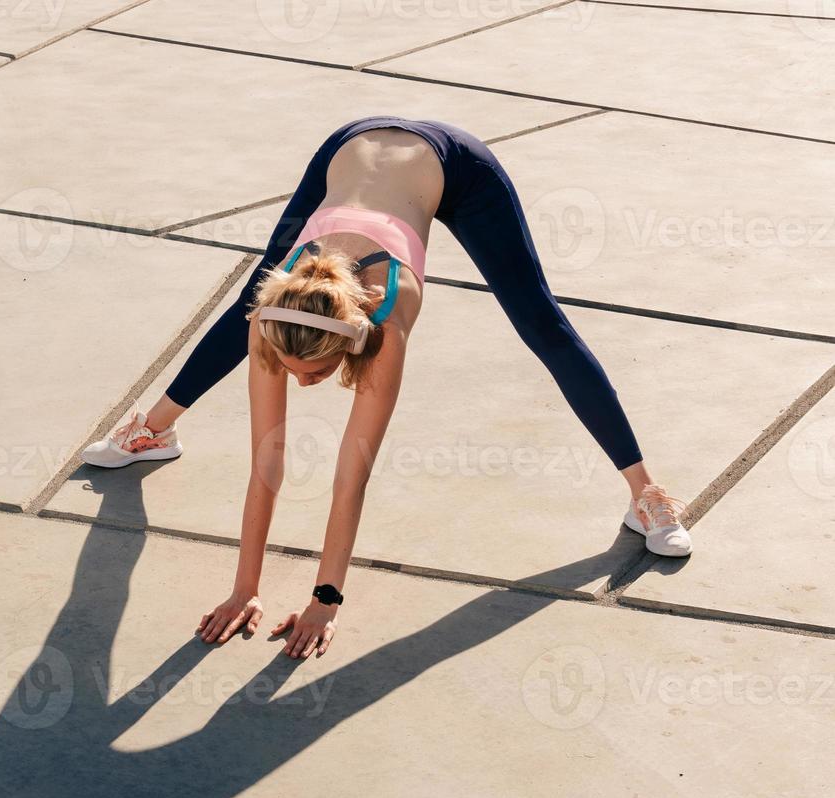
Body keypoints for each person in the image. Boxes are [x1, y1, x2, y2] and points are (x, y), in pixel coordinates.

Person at [79, 115, 692, 658]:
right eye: (291, 371)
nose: (304, 384)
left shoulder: (386, 318)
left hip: (454, 167)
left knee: (542, 324)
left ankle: (646, 492)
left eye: (315, 374)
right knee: (248, 298)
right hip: (349, 147)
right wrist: (246, 587)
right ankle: (153, 427)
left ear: (351, 342)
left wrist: (326, 598)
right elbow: (267, 461)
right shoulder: (275, 322)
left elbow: (353, 473)